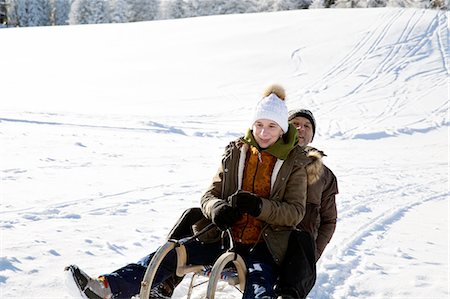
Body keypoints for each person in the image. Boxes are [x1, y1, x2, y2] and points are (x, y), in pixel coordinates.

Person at [66, 84, 316, 299]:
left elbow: (294, 213)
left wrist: (259, 206)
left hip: (265, 244)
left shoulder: (294, 163)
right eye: (259, 124)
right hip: (224, 237)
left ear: (282, 129)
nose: (263, 132)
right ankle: (107, 288)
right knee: (172, 254)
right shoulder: (235, 153)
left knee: (259, 283)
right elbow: (209, 195)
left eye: (272, 126)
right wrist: (216, 208)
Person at [276, 109, 339, 299]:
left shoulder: (326, 176)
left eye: (306, 126)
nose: (300, 129)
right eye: (295, 124)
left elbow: (329, 221)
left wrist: (313, 254)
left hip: (300, 250)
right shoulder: (269, 159)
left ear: (312, 135)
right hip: (265, 240)